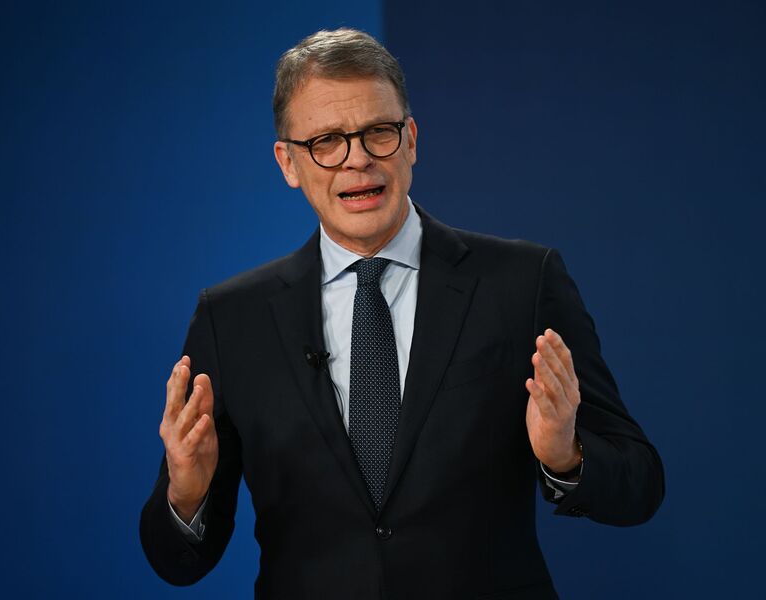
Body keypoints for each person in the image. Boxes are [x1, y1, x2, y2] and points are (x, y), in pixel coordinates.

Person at [140, 28, 664, 599]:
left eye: (378, 132)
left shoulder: (521, 282)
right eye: (327, 141)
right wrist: (186, 495)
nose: (358, 159)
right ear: (288, 162)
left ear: (410, 140)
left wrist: (565, 456)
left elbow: (640, 485)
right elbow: (177, 564)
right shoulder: (232, 319)